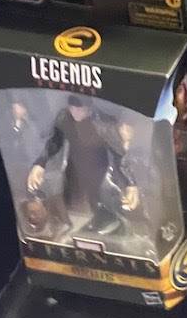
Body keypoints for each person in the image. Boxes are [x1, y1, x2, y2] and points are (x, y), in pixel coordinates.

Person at [26, 95, 138, 237]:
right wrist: (40, 163)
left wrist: (130, 183)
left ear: (89, 109)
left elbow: (118, 154)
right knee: (72, 198)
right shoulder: (64, 117)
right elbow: (55, 141)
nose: (75, 112)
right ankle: (81, 222)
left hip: (99, 166)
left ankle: (116, 225)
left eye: (80, 109)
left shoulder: (103, 123)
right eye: (72, 108)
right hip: (75, 163)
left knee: (104, 198)